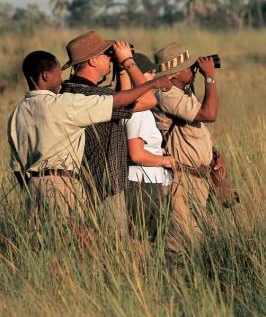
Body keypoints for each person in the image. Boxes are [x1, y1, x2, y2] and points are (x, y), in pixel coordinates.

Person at [7, 50, 172, 221]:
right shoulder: (63, 104)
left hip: (31, 187)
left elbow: (17, 166)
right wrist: (152, 83)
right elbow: (119, 102)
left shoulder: (18, 112)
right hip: (62, 184)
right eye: (58, 75)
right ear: (45, 76)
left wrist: (32, 188)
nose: (61, 80)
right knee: (70, 242)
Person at [61, 31, 171, 231]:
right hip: (104, 187)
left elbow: (122, 97)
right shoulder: (93, 95)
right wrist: (128, 62)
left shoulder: (69, 91)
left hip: (79, 185)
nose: (110, 58)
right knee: (109, 250)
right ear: (93, 60)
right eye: (106, 54)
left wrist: (121, 71)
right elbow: (148, 100)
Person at [153, 43, 225, 252]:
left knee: (205, 240)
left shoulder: (182, 92)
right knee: (182, 244)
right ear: (174, 74)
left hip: (199, 178)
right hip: (183, 180)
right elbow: (209, 114)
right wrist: (209, 77)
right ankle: (173, 281)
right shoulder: (167, 95)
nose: (194, 68)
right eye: (188, 66)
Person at [122, 53, 175, 243]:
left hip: (149, 181)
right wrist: (165, 161)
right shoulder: (138, 111)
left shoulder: (139, 107)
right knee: (142, 241)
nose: (153, 77)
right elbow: (136, 154)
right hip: (143, 183)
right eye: (149, 73)